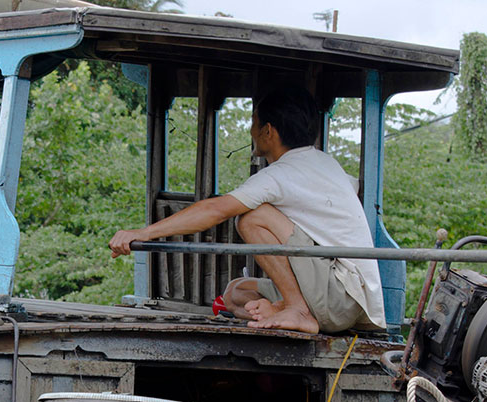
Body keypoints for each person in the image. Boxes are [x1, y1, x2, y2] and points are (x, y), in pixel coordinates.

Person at [109, 87, 386, 334]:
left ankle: (297, 310)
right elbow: (353, 189)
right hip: (341, 300)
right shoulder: (327, 165)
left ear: (268, 131)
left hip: (339, 296)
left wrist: (144, 233)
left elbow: (215, 210)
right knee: (235, 294)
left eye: (254, 123)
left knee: (252, 218)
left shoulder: (280, 174)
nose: (251, 132)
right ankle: (283, 308)